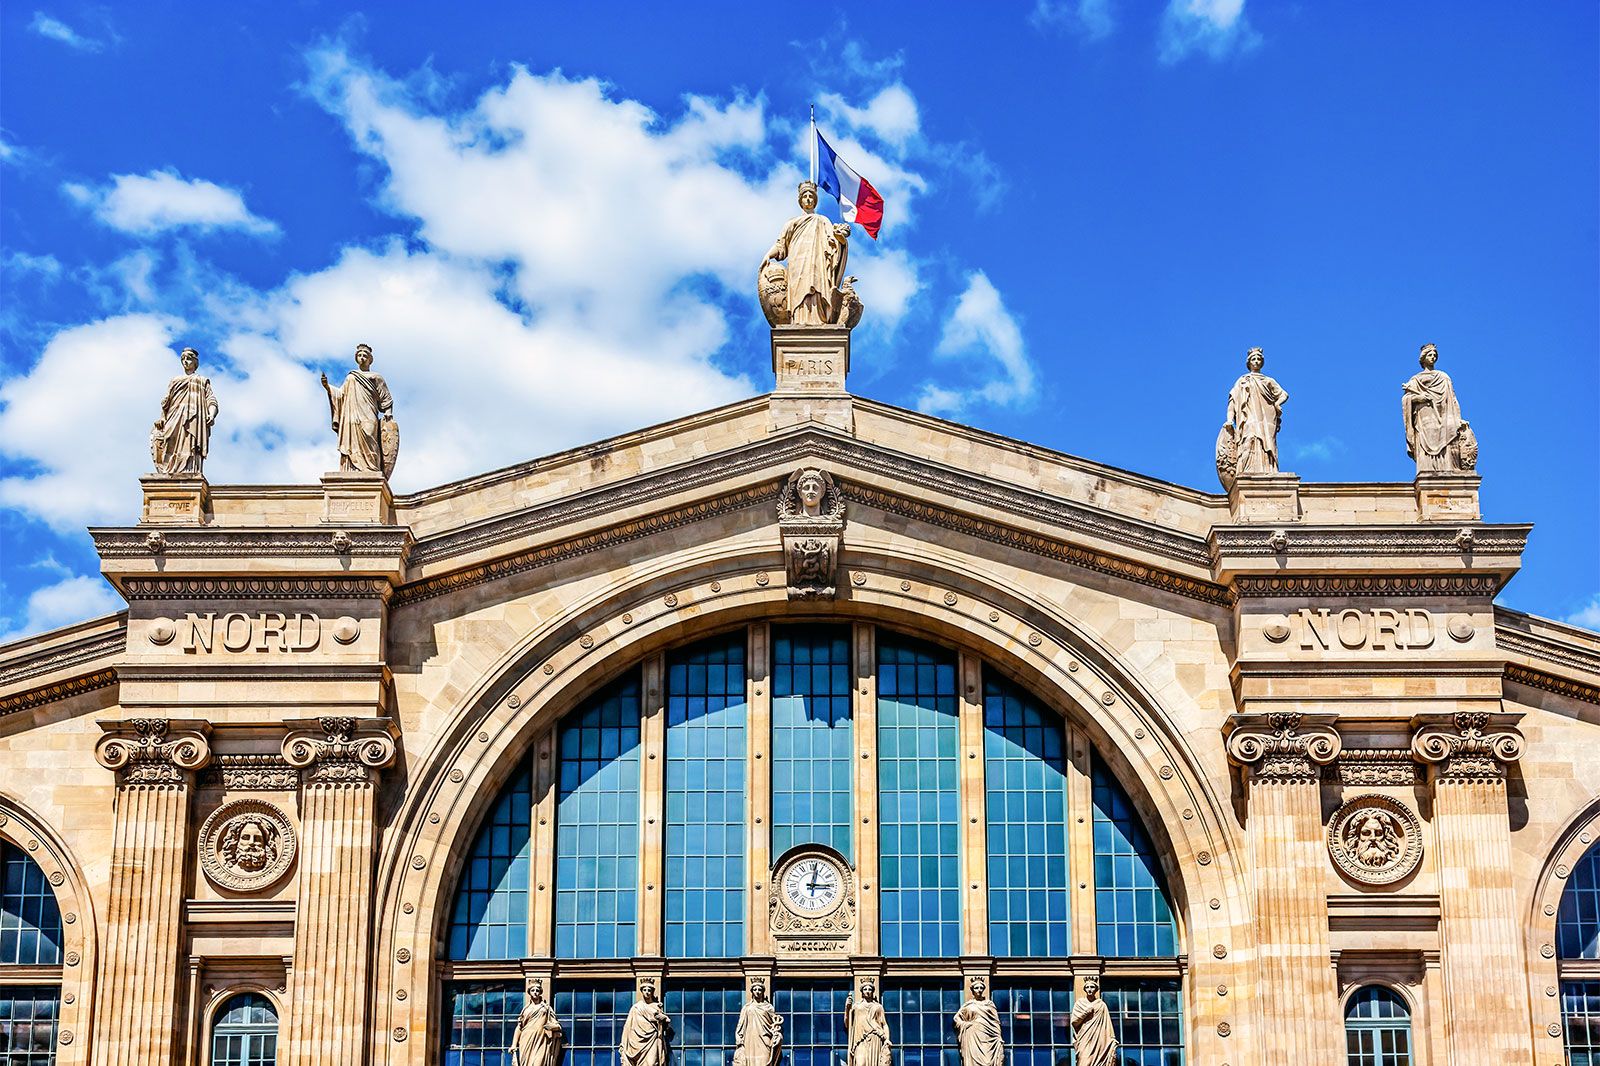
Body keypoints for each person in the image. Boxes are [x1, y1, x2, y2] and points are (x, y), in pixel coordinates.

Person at [762, 182, 850, 325]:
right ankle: (798, 318)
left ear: (815, 201)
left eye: (811, 196)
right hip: (797, 259)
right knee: (799, 288)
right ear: (800, 200)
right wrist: (768, 255)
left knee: (816, 286)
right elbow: (781, 244)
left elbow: (834, 242)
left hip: (817, 259)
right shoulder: (792, 222)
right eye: (805, 196)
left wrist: (840, 236)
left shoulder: (822, 220)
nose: (808, 199)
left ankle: (818, 319)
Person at [321, 343, 393, 474]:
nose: (362, 358)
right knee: (352, 439)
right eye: (359, 355)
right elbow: (341, 394)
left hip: (369, 412)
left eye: (365, 355)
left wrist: (388, 413)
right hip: (352, 415)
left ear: (370, 359)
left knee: (369, 435)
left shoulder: (376, 377)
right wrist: (328, 387)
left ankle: (371, 468)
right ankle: (352, 468)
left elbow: (386, 397)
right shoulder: (351, 377)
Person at [1401, 343, 1470, 473]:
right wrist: (1419, 398)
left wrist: (1458, 418)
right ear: (1423, 358)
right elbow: (1406, 399)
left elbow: (1453, 399)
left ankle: (1447, 470)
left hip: (1444, 417)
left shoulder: (1444, 377)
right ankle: (1427, 472)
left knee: (1449, 438)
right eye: (1430, 354)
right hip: (1425, 417)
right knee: (1425, 449)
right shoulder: (1415, 380)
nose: (1433, 357)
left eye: (1434, 355)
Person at [151, 347, 218, 476]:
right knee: (170, 439)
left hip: (195, 416)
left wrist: (211, 413)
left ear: (195, 362)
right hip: (174, 415)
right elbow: (167, 402)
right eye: (183, 359)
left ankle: (190, 470)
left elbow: (211, 399)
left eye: (189, 359)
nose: (185, 362)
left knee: (190, 443)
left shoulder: (202, 381)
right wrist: (162, 418)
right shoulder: (175, 380)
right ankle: (170, 469)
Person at [1223, 347, 1288, 477]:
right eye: (1254, 359)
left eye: (1259, 359)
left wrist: (1277, 403)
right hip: (1248, 418)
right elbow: (1233, 402)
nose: (1256, 361)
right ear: (1249, 362)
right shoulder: (1242, 381)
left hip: (1267, 418)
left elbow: (1284, 394)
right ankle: (1246, 471)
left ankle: (1269, 470)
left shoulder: (1268, 380)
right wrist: (1230, 420)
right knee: (1248, 440)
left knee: (1267, 443)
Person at [511, 980, 564, 1066]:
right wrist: (514, 1045)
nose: (535, 992)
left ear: (540, 992)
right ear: (529, 992)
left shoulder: (546, 1008)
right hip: (526, 1038)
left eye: (537, 990)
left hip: (541, 1039)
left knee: (538, 1063)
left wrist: (552, 1027)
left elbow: (557, 1026)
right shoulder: (525, 1009)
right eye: (533, 990)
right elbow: (519, 1027)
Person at [952, 978, 1004, 1066]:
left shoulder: (989, 1004)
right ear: (972, 990)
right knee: (973, 1060)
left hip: (987, 1034)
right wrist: (965, 1024)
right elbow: (956, 1018)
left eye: (981, 988)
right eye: (976, 988)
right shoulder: (968, 1005)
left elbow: (995, 1022)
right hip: (972, 1034)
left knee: (988, 1060)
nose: (979, 990)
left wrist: (998, 1036)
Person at [620, 980, 671, 1066]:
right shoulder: (636, 1008)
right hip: (636, 1040)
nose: (647, 992)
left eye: (649, 990)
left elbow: (666, 1022)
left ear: (652, 992)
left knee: (651, 1063)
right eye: (645, 990)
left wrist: (664, 1018)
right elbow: (628, 1026)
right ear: (642, 991)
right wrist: (623, 1044)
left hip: (653, 1038)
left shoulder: (656, 1006)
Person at [1069, 977, 1118, 1066]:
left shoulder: (1101, 1005)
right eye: (1087, 987)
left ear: (1096, 989)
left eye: (1092, 987)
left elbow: (1107, 1025)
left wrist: (1111, 1039)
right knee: (1083, 1061)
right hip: (1084, 1037)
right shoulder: (1080, 1003)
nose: (1089, 990)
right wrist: (1085, 1013)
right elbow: (1074, 1023)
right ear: (1084, 989)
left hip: (1099, 1038)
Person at [733, 980, 783, 1066]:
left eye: (759, 989)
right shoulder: (747, 1008)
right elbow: (740, 1025)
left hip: (765, 1038)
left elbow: (775, 1023)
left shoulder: (768, 1007)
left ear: (763, 992)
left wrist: (777, 1033)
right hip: (750, 1039)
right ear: (752, 992)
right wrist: (739, 1039)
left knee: (765, 1061)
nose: (757, 992)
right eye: (755, 989)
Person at [845, 980, 891, 1066]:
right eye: (865, 989)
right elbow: (848, 1024)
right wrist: (847, 1008)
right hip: (860, 1039)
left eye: (869, 989)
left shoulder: (878, 1007)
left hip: (875, 1036)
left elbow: (884, 1024)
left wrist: (887, 1039)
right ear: (862, 991)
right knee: (860, 1063)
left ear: (872, 991)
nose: (867, 991)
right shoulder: (856, 1006)